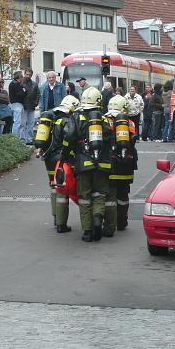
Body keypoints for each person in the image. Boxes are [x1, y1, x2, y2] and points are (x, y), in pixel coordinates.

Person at [62, 86, 112, 242]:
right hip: (102, 164)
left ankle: (87, 231)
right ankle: (98, 217)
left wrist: (65, 156)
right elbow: (110, 138)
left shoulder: (76, 117)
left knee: (84, 197)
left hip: (83, 164)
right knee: (99, 195)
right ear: (98, 100)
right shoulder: (103, 118)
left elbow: (69, 136)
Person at [35, 95, 80, 233]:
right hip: (61, 159)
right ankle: (61, 224)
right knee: (62, 189)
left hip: (48, 158)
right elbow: (69, 138)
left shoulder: (52, 118)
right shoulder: (67, 120)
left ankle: (56, 218)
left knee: (54, 186)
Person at [103, 95, 137, 237]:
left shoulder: (104, 120)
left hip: (110, 163)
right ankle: (122, 222)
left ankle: (109, 225)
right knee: (123, 195)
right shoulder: (129, 122)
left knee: (109, 197)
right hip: (126, 164)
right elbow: (132, 140)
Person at [21, 68, 40, 145]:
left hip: (32, 106)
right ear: (24, 74)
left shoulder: (34, 84)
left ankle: (29, 139)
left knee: (31, 124)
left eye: (30, 75)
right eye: (27, 74)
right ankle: (22, 140)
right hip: (23, 106)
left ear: (31, 75)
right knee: (22, 124)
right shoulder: (21, 83)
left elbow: (38, 94)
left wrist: (36, 103)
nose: (28, 76)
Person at [8, 70, 25, 139]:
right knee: (17, 122)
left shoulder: (13, 83)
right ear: (19, 78)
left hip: (15, 104)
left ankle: (17, 137)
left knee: (18, 122)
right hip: (17, 104)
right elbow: (22, 94)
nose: (23, 78)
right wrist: (24, 90)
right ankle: (15, 137)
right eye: (22, 77)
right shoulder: (15, 84)